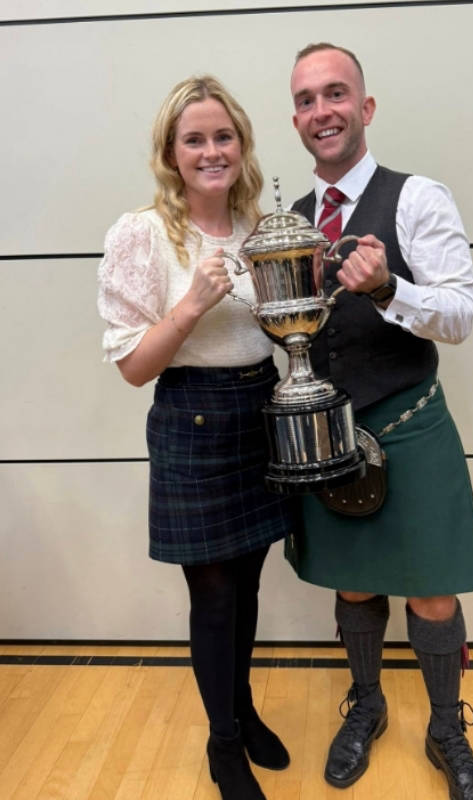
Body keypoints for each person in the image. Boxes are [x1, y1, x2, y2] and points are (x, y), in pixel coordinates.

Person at [285, 43, 473, 800]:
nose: (322, 111)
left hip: (411, 423)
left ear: (364, 108)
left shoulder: (418, 198)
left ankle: (447, 730)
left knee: (432, 593)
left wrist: (387, 289)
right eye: (307, 100)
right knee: (351, 588)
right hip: (335, 436)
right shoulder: (293, 224)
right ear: (297, 119)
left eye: (335, 94)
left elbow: (461, 315)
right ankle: (367, 705)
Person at [97, 75, 298, 800]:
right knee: (212, 596)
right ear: (171, 153)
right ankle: (222, 745)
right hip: (192, 417)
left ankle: (240, 709)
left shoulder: (263, 228)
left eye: (223, 136)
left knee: (246, 584)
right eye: (195, 140)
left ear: (241, 145)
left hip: (261, 412)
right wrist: (189, 307)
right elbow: (132, 367)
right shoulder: (141, 234)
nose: (211, 151)